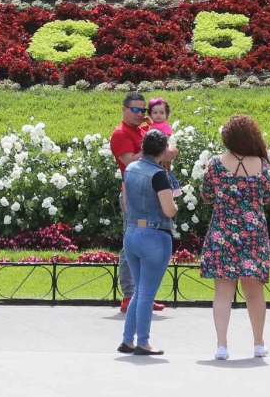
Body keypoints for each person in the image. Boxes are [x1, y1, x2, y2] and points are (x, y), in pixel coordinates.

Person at [199, 114, 270, 361]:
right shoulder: (262, 165)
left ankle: (222, 345)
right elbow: (267, 197)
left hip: (223, 231)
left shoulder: (216, 164)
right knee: (254, 292)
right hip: (253, 233)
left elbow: (206, 194)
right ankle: (259, 343)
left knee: (222, 291)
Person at [119, 129, 178, 357]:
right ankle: (143, 341)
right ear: (163, 151)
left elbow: (125, 203)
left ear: (142, 147)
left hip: (132, 232)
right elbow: (169, 210)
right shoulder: (159, 175)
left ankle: (127, 340)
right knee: (146, 293)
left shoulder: (131, 169)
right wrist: (176, 204)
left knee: (137, 291)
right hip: (154, 235)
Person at [110, 91, 163, 314]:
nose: (140, 114)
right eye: (135, 110)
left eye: (143, 110)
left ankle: (144, 295)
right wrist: (149, 147)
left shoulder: (144, 130)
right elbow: (128, 160)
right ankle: (129, 295)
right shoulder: (120, 133)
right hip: (132, 193)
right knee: (131, 243)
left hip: (153, 191)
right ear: (123, 109)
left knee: (149, 242)